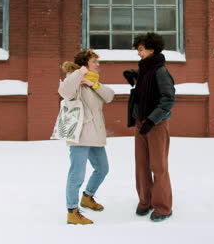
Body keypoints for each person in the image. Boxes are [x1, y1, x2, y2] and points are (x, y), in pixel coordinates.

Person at [123, 32, 176, 222]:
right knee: (142, 165)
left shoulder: (160, 71)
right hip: (141, 123)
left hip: (155, 125)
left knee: (158, 166)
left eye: (141, 49)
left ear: (151, 49)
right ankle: (146, 201)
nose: (138, 53)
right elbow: (146, 86)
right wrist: (135, 76)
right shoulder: (145, 68)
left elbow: (168, 99)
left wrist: (152, 121)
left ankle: (163, 207)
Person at [58, 49, 115, 225]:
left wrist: (93, 84)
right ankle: (72, 211)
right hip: (80, 135)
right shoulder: (73, 82)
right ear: (84, 65)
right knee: (77, 174)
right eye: (94, 62)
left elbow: (110, 96)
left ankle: (87, 197)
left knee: (102, 168)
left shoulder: (92, 82)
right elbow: (64, 91)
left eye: (98, 61)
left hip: (95, 134)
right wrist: (79, 74)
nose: (98, 65)